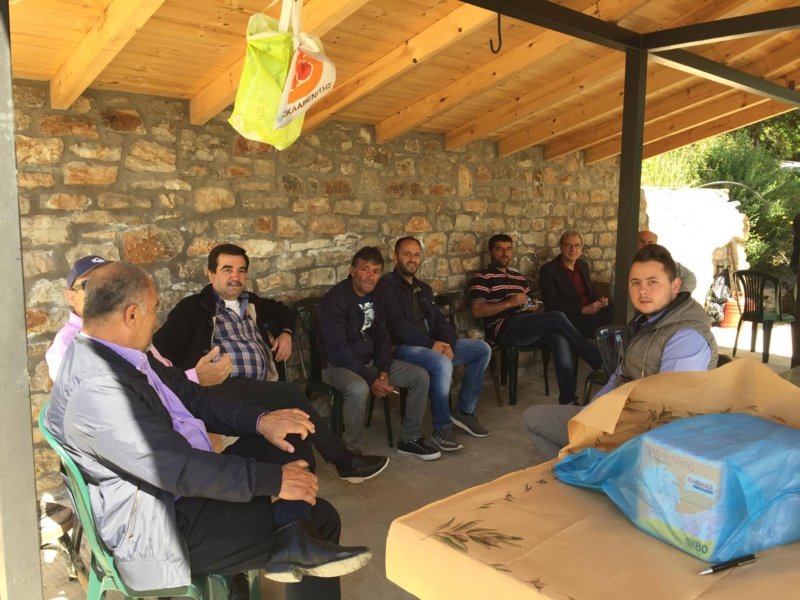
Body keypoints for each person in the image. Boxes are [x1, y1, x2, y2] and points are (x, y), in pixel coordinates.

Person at [43, 261, 372, 599]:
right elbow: (174, 467)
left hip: (178, 490)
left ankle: (295, 534)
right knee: (322, 517)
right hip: (161, 526)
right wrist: (274, 480)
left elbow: (195, 398)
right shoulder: (99, 387)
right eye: (154, 309)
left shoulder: (124, 355)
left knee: (291, 430)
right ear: (131, 315)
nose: (156, 319)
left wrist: (261, 421)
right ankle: (296, 537)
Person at [149, 244, 388, 485]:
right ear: (211, 274)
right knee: (291, 394)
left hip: (259, 388)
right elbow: (157, 362)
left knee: (296, 426)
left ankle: (303, 488)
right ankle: (343, 461)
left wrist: (286, 333)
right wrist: (195, 375)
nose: (235, 277)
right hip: (217, 390)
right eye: (227, 269)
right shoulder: (192, 308)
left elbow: (283, 311)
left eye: (241, 271)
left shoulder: (250, 301)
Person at [523, 244, 719, 462]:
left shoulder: (686, 336)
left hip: (645, 438)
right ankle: (583, 473)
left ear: (675, 286)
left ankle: (597, 472)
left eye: (652, 282)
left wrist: (605, 434)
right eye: (636, 283)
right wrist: (591, 413)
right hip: (618, 417)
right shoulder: (644, 322)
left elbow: (670, 414)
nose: (643, 291)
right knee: (534, 419)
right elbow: (618, 376)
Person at [317, 247, 440, 460]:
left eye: (376, 271)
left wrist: (383, 370)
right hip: (337, 365)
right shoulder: (335, 300)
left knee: (420, 376)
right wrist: (372, 379)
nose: (370, 276)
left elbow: (383, 336)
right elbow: (338, 351)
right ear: (352, 271)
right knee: (358, 388)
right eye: (365, 269)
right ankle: (352, 454)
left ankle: (409, 439)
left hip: (371, 361)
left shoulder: (376, 297)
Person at [376, 237, 492, 452]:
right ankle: (442, 427)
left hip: (430, 346)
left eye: (416, 254)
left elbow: (439, 321)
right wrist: (432, 345)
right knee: (441, 362)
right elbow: (396, 325)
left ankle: (464, 411)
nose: (412, 259)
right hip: (401, 348)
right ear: (395, 257)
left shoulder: (424, 289)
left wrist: (448, 344)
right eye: (407, 254)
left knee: (481, 350)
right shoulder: (386, 286)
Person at [469, 234, 603, 406]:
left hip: (526, 324)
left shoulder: (518, 277)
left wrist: (532, 306)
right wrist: (508, 303)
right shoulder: (482, 277)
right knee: (557, 316)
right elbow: (477, 310)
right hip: (503, 328)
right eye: (499, 249)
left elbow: (531, 303)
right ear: (490, 252)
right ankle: (598, 360)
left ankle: (568, 400)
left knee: (560, 340)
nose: (505, 253)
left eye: (508, 249)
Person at [539, 230, 615, 338]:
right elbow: (551, 304)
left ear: (581, 247)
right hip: (570, 319)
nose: (573, 249)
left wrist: (600, 302)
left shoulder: (583, 265)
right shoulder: (549, 270)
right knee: (610, 323)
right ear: (561, 247)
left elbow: (591, 293)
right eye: (568, 245)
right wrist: (583, 310)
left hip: (591, 314)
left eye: (577, 245)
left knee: (617, 310)